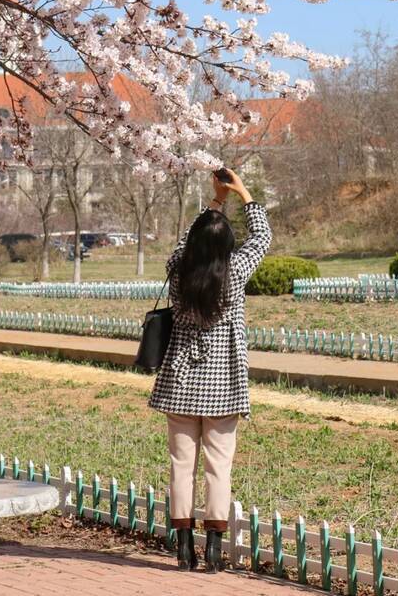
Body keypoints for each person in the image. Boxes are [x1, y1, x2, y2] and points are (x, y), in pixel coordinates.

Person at [148, 168, 272, 572]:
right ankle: (215, 549)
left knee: (180, 466)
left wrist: (214, 202)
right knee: (219, 467)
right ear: (228, 245)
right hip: (223, 384)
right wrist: (243, 195)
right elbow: (263, 239)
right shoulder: (234, 272)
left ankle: (184, 548)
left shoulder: (179, 271)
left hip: (180, 381)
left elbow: (185, 243)